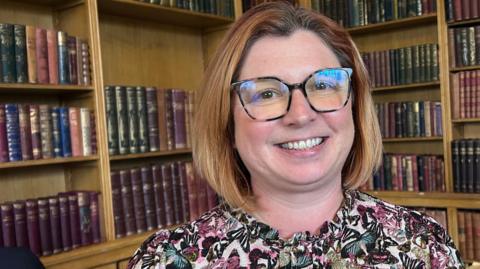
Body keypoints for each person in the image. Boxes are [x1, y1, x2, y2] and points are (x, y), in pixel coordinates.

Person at [127, 1, 464, 268]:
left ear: (355, 108)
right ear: (227, 125)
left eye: (323, 85)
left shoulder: (425, 248)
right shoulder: (167, 260)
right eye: (267, 93)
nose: (300, 115)